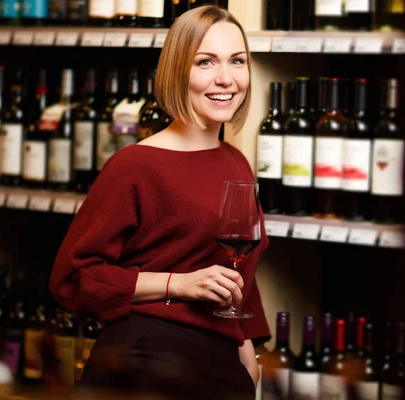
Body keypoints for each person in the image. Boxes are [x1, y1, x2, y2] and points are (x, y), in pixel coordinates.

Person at [49, 5, 270, 399]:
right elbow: (73, 278)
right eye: (205, 62)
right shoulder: (135, 165)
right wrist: (179, 284)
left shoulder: (237, 162)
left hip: (219, 365)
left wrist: (247, 352)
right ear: (177, 72)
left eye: (237, 61)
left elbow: (239, 275)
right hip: (145, 361)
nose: (226, 78)